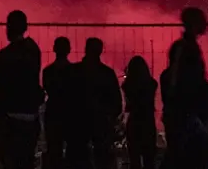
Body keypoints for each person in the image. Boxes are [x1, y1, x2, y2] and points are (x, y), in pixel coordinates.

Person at [0, 10, 41, 169]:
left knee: (9, 159)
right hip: (30, 113)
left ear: (8, 28)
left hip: (8, 115)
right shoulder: (34, 50)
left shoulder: (6, 55)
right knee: (26, 160)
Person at [160, 8, 208, 169]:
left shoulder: (186, 46)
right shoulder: (185, 47)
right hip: (185, 110)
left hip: (185, 110)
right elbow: (177, 78)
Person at [76, 37, 121, 169]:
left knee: (80, 155)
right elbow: (116, 101)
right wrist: (110, 117)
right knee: (102, 157)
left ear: (85, 50)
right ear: (101, 51)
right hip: (101, 122)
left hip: (80, 121)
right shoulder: (107, 73)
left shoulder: (76, 72)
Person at [43, 37, 79, 169]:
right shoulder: (75, 71)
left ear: (54, 49)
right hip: (70, 113)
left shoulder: (48, 72)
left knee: (54, 150)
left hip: (53, 112)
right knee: (72, 149)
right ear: (69, 50)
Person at [121, 57, 157, 169]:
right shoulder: (152, 84)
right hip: (148, 122)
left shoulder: (127, 85)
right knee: (149, 159)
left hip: (134, 122)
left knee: (134, 160)